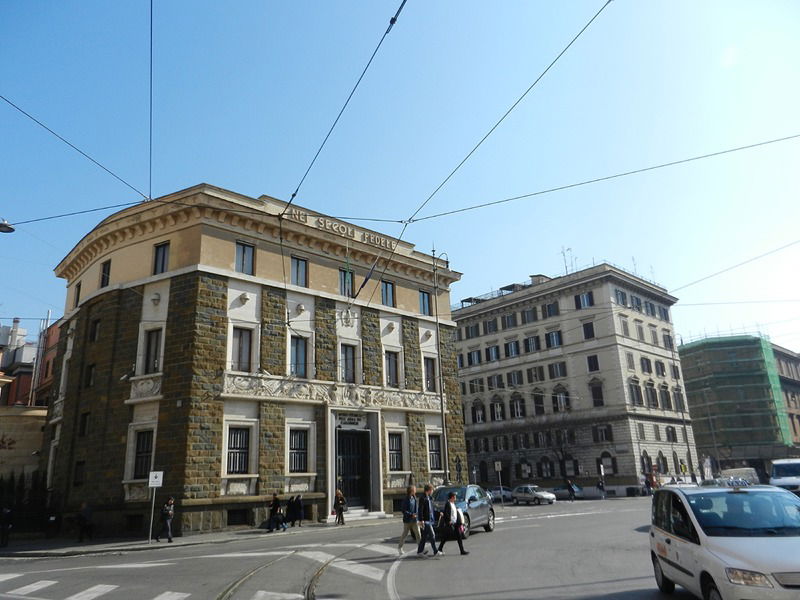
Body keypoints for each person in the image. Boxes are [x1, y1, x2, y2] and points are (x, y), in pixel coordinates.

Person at [437, 491, 468, 556]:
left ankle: (462, 550)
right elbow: (446, 513)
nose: (455, 497)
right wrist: (449, 521)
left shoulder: (453, 503)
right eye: (454, 496)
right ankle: (439, 548)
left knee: (459, 536)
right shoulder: (448, 504)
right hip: (450, 524)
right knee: (445, 537)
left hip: (455, 524)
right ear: (452, 497)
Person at [416, 483, 439, 557]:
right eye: (432, 490)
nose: (432, 491)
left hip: (430, 519)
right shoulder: (423, 498)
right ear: (429, 490)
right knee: (432, 535)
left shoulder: (429, 497)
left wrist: (438, 513)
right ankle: (435, 551)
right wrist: (421, 520)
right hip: (426, 520)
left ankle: (420, 552)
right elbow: (420, 509)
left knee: (424, 537)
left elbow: (431, 509)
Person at [397, 485, 420, 555]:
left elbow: (416, 508)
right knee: (405, 534)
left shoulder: (414, 498)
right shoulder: (406, 500)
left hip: (414, 520)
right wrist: (411, 514)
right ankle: (400, 547)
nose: (416, 490)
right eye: (415, 489)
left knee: (418, 533)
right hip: (407, 520)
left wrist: (417, 515)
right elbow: (403, 510)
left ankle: (420, 548)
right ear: (411, 491)